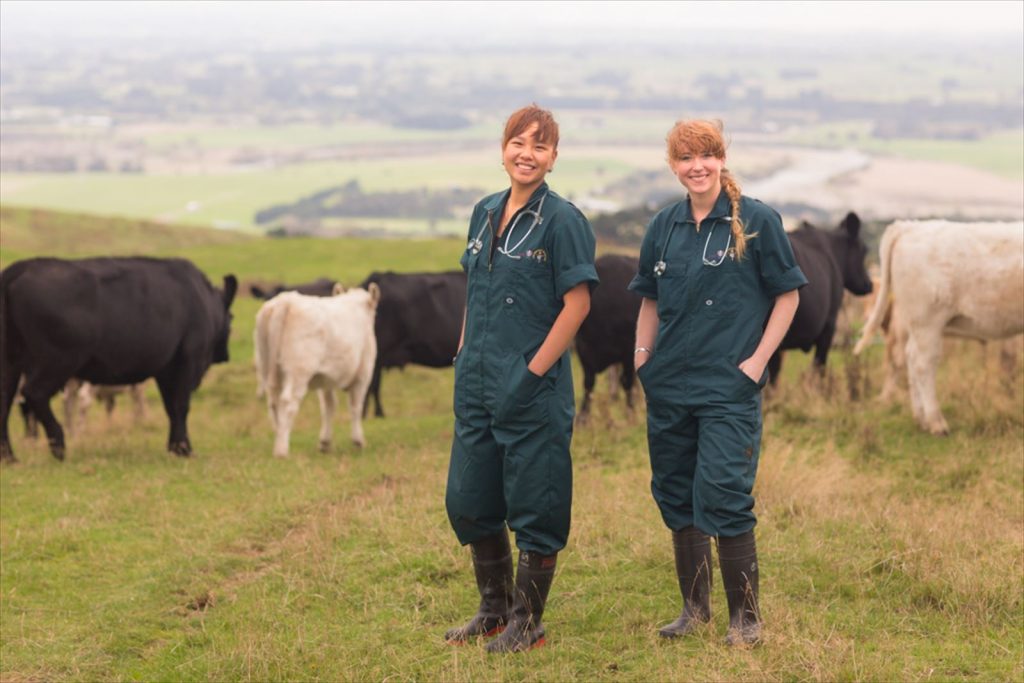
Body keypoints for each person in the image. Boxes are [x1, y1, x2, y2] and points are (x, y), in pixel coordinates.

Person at [628, 119, 806, 646]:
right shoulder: (663, 225)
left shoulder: (755, 221)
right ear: (674, 166)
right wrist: (642, 358)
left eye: (706, 154)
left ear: (722, 158)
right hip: (670, 387)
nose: (697, 166)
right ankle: (694, 610)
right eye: (685, 158)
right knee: (677, 495)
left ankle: (745, 620)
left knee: (725, 494)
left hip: (729, 387)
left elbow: (788, 296)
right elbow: (650, 299)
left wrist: (756, 363)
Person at [443, 104, 598, 653]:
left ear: (553, 158)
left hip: (532, 386)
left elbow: (576, 305)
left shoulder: (564, 221)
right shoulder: (483, 211)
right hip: (477, 379)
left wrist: (532, 373)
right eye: (518, 142)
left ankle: (527, 621)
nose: (526, 154)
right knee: (468, 496)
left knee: (536, 502)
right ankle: (492, 610)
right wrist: (463, 354)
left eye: (539, 146)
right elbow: (474, 291)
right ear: (502, 147)